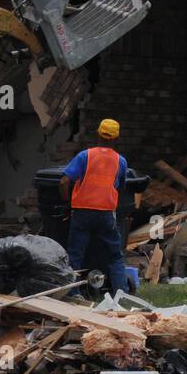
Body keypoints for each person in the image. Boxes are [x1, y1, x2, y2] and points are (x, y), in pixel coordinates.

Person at [60, 118, 128, 294]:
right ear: (116, 138)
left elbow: (64, 181)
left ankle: (74, 294)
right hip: (106, 214)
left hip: (82, 212)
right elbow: (120, 186)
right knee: (115, 256)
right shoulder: (120, 161)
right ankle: (121, 293)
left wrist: (67, 204)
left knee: (75, 255)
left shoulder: (85, 156)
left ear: (98, 134)